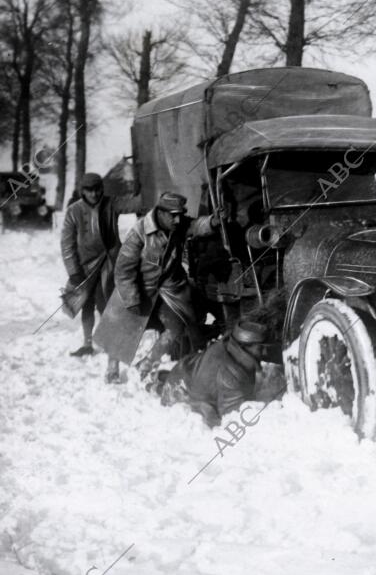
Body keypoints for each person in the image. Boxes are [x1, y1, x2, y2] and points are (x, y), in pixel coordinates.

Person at [93, 191, 219, 381]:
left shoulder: (178, 224)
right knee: (122, 326)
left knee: (176, 327)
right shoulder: (139, 232)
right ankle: (112, 369)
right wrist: (131, 297)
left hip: (169, 288)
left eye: (180, 215)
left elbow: (195, 225)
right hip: (139, 286)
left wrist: (212, 222)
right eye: (173, 215)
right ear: (160, 212)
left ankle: (148, 362)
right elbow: (124, 269)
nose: (178, 220)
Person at [159, 320, 268, 426]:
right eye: (260, 348)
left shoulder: (228, 345)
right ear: (244, 347)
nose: (264, 352)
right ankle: (155, 386)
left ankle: (158, 381)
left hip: (186, 370)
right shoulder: (230, 376)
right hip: (180, 391)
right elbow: (232, 416)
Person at [60, 172, 121, 362]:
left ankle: (112, 344)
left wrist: (139, 194)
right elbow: (67, 244)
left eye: (97, 190)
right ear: (83, 191)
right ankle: (87, 344)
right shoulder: (74, 211)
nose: (94, 194)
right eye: (89, 191)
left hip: (108, 264)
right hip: (85, 267)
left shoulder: (111, 204)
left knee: (106, 303)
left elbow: (133, 204)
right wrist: (74, 272)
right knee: (86, 305)